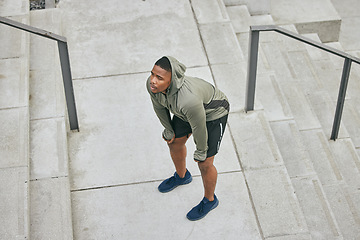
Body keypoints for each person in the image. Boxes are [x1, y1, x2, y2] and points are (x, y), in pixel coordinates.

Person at [146, 56, 229, 221]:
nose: (153, 80)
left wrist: (201, 151)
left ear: (172, 80)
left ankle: (210, 200)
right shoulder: (153, 87)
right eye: (153, 74)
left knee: (205, 163)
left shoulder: (188, 99)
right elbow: (159, 108)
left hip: (213, 113)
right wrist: (169, 130)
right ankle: (182, 176)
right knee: (174, 143)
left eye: (159, 78)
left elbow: (198, 126)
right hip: (186, 112)